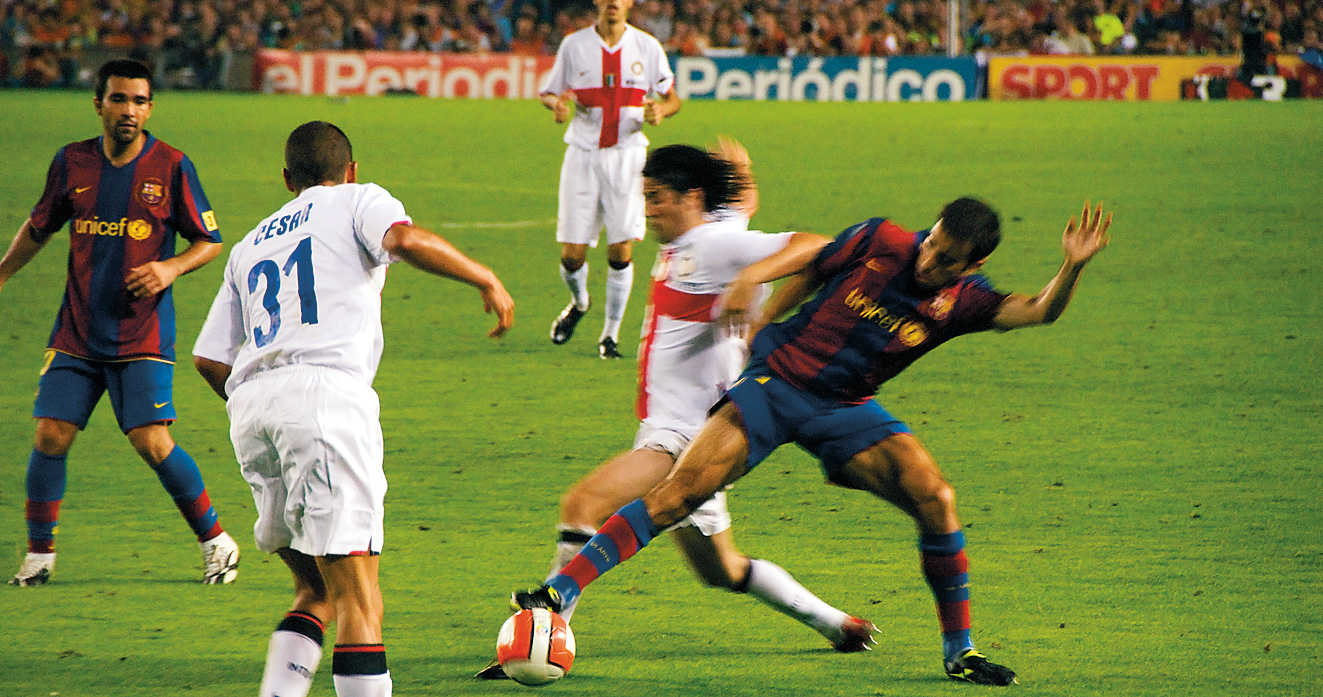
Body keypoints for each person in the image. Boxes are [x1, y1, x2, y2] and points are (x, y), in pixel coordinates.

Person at [512, 197, 1116, 686]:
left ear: (971, 265)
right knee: (681, 494)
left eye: (947, 259)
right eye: (931, 243)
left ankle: (959, 652)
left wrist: (1073, 266)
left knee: (937, 497)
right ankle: (556, 592)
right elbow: (812, 263)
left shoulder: (965, 302)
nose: (929, 261)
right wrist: (765, 310)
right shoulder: (882, 240)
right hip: (776, 385)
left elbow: (1039, 310)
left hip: (844, 408)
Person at [477, 141, 873, 679]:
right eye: (645, 197)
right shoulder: (704, 231)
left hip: (688, 436)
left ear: (690, 197)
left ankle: (542, 644)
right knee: (724, 571)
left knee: (583, 504)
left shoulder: (717, 247)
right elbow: (741, 205)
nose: (648, 210)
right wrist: (741, 171)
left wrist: (751, 279)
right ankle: (837, 625)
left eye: (657, 198)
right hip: (678, 429)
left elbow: (819, 245)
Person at [193, 121, 514, 697]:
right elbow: (403, 241)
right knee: (360, 600)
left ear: (287, 179)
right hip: (324, 402)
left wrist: (266, 401)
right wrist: (483, 276)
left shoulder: (249, 245)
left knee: (313, 591)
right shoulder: (358, 200)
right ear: (352, 170)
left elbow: (208, 360)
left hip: (251, 408)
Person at [2, 59, 239, 588]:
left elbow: (209, 240)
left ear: (150, 107)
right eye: (118, 99)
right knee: (50, 434)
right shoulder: (71, 163)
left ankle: (217, 542)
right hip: (77, 332)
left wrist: (169, 267)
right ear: (98, 103)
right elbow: (40, 227)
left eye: (138, 101)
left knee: (151, 442)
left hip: (142, 334)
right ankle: (39, 558)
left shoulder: (172, 166)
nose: (128, 110)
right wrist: (1, 275)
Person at [541, 0, 681, 359]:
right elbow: (550, 91)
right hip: (583, 156)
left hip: (627, 157)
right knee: (572, 256)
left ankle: (610, 336)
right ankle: (580, 302)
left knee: (620, 250)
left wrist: (661, 110)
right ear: (598, 3)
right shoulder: (575, 45)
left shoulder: (647, 46)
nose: (614, 3)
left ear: (630, 4)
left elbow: (672, 98)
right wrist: (556, 105)